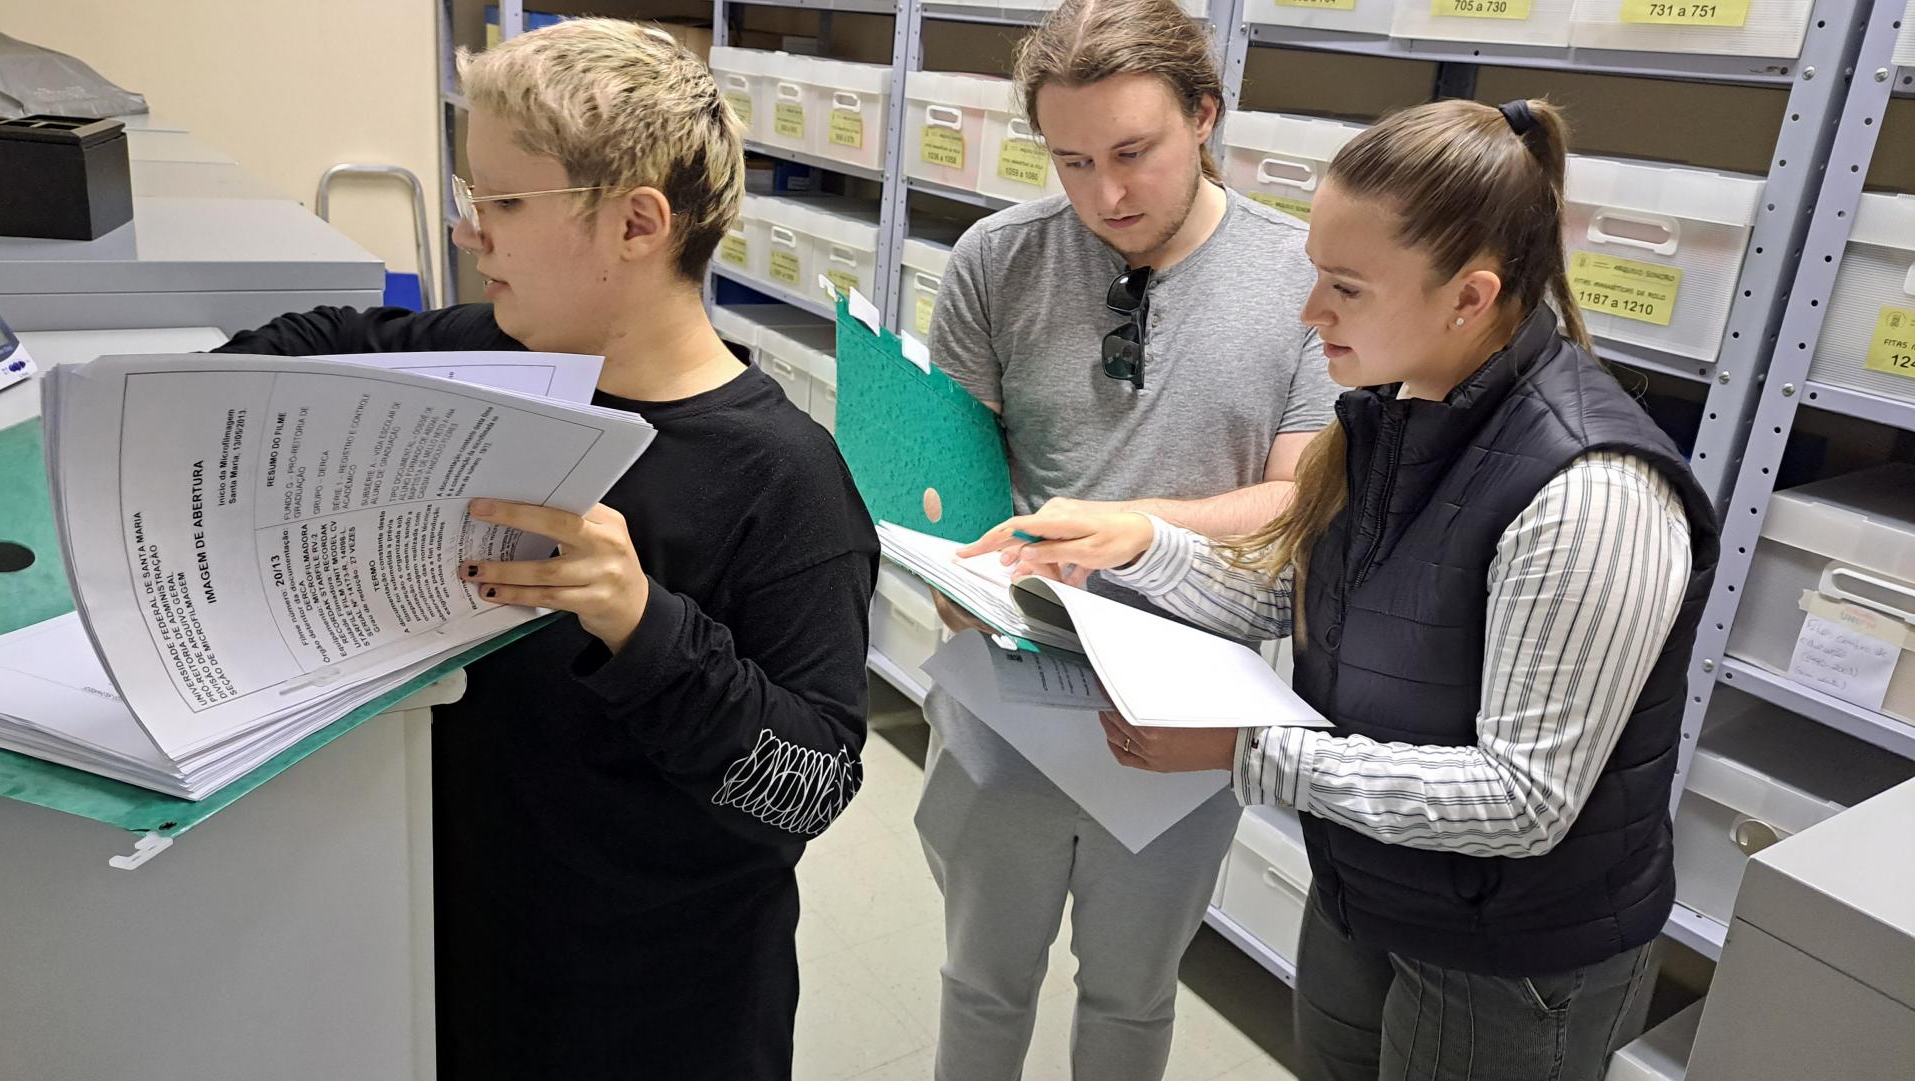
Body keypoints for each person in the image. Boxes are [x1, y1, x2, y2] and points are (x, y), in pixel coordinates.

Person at [963, 98, 1720, 1081]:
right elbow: (1302, 601)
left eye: (1346, 288)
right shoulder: (1389, 410)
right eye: (1316, 272)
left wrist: (1245, 754)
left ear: (1469, 297)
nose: (1309, 311)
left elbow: (1524, 800)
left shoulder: (1594, 493)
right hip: (1369, 882)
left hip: (1509, 952)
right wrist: (1135, 545)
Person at [214, 20, 878, 1080]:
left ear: (636, 223)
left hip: (659, 1012)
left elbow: (811, 787)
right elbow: (311, 342)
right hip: (469, 953)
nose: (471, 231)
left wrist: (645, 627)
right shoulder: (493, 354)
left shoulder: (784, 483)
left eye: (506, 203)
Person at [914, 0, 1340, 1077]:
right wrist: (945, 567)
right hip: (1006, 693)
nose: (1106, 194)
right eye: (1072, 161)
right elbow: (948, 479)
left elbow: (1298, 500)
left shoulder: (1302, 278)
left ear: (1204, 116)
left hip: (1184, 717)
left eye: (1134, 153)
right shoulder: (995, 260)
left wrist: (1141, 530)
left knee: (1131, 998)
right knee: (979, 983)